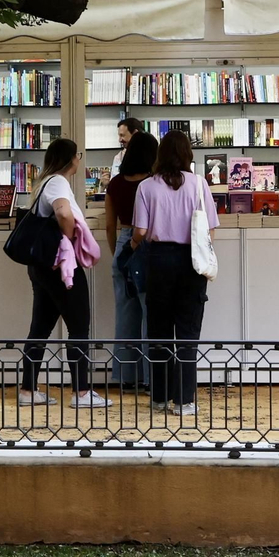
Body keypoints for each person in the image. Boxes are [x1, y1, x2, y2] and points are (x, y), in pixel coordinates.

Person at [19, 138, 110, 408]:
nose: (79, 159)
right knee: (79, 326)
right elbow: (63, 213)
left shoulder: (43, 183)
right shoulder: (58, 182)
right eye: (77, 154)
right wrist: (69, 240)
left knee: (40, 328)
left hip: (42, 266)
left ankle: (27, 390)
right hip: (61, 266)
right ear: (71, 159)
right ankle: (81, 392)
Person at [132, 130, 218, 416]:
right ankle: (184, 401)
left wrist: (133, 245)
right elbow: (211, 231)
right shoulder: (199, 184)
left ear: (160, 155)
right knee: (187, 333)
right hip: (191, 261)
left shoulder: (146, 186)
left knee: (158, 331)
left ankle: (159, 397)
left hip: (158, 260)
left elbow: (140, 231)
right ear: (187, 154)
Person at [105, 131, 158, 389]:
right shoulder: (152, 183)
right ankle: (150, 379)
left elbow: (109, 226)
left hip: (124, 243)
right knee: (150, 314)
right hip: (147, 246)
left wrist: (118, 252)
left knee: (125, 315)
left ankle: (126, 377)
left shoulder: (115, 184)